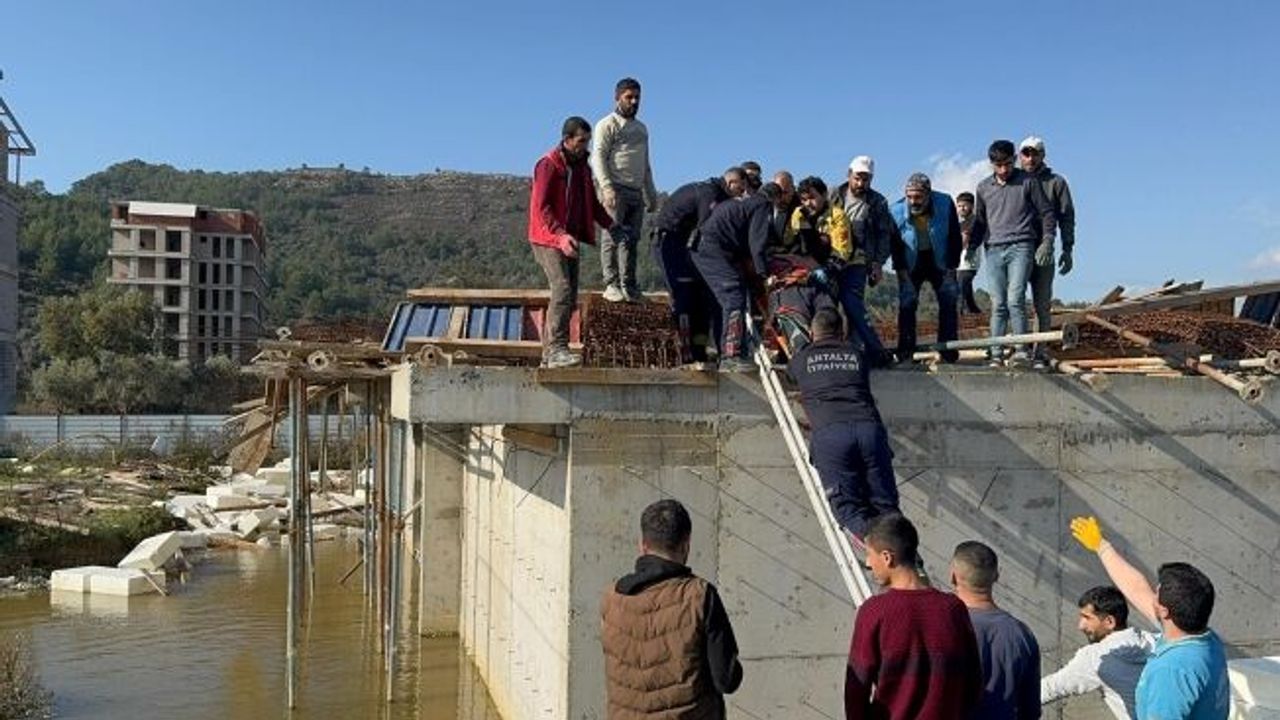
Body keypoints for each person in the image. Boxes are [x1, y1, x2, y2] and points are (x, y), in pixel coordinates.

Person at [1070, 516, 1230, 719]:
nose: (1152, 596)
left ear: (1165, 612)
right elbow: (1137, 589)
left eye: (1157, 593)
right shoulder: (1200, 636)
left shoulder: (1172, 672)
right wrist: (1102, 547)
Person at [601, 498, 743, 719]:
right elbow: (726, 679)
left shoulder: (612, 598)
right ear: (686, 545)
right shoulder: (700, 596)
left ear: (643, 545)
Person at [845, 514, 983, 720]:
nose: (868, 563)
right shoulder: (953, 609)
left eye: (869, 554)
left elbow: (856, 692)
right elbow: (973, 683)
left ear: (886, 557)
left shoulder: (874, 612)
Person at [788, 308, 898, 543]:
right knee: (886, 506)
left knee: (849, 509)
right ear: (843, 331)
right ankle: (907, 557)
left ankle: (879, 552)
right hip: (869, 429)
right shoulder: (857, 355)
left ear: (811, 332)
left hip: (831, 433)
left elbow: (791, 374)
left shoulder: (801, 359)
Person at [527, 116, 616, 368]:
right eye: (581, 141)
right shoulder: (548, 165)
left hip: (571, 237)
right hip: (548, 238)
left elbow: (593, 205)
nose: (585, 146)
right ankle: (556, 349)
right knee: (562, 288)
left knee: (571, 292)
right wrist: (559, 234)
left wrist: (611, 225)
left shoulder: (583, 169)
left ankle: (553, 354)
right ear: (567, 140)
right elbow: (542, 207)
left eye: (587, 141)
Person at [970, 140, 1057, 367]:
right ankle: (996, 353)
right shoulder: (983, 188)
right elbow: (979, 221)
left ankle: (1021, 350)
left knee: (1015, 298)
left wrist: (1048, 240)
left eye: (1008, 164)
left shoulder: (1028, 182)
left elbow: (1047, 213)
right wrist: (971, 248)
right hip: (994, 249)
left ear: (1014, 160)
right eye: (998, 165)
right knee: (998, 303)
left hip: (1021, 245)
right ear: (991, 164)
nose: (1004, 170)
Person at [651, 167, 747, 362]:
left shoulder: (718, 194)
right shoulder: (709, 193)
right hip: (669, 241)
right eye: (740, 188)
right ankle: (685, 352)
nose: (742, 194)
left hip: (685, 244)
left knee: (702, 297)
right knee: (684, 295)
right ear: (731, 183)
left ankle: (699, 349)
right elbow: (706, 228)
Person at [692, 182, 783, 372]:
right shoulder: (762, 206)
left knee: (729, 296)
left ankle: (730, 350)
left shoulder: (742, 203)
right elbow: (757, 245)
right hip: (713, 249)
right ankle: (730, 355)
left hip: (703, 247)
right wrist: (763, 275)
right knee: (734, 296)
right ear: (775, 199)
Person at [951, 541, 1041, 719]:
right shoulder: (1022, 634)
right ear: (997, 576)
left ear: (953, 576)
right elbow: (1031, 710)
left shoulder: (944, 626)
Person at [1041, 585, 1155, 719]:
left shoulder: (1097, 657)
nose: (1080, 626)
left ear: (1110, 622)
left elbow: (1050, 688)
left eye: (1087, 618)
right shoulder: (1152, 640)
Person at [592, 77, 659, 303]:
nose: (634, 101)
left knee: (631, 240)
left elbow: (645, 162)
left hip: (635, 190)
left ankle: (628, 285)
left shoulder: (642, 129)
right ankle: (611, 283)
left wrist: (651, 192)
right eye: (629, 97)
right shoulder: (606, 124)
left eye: (637, 97)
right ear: (617, 98)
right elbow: (597, 157)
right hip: (615, 188)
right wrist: (606, 186)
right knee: (612, 236)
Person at [888, 173, 962, 363]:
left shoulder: (945, 203)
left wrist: (951, 269)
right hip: (912, 261)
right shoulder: (895, 211)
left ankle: (947, 352)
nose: (913, 202)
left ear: (929, 194)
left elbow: (955, 237)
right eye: (909, 197)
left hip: (940, 259)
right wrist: (903, 277)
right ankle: (905, 352)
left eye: (918, 197)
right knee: (907, 303)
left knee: (948, 300)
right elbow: (896, 248)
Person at [829, 156, 894, 366]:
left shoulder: (878, 202)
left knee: (852, 303)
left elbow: (884, 235)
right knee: (830, 305)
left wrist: (878, 263)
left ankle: (862, 350)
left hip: (859, 260)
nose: (860, 184)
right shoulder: (834, 195)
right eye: (857, 178)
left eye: (866, 179)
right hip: (833, 259)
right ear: (849, 175)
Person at [1019, 136, 1077, 369]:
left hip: (1044, 248)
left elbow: (1067, 217)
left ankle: (1040, 352)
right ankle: (1018, 350)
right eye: (1026, 153)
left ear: (1043, 155)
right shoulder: (1014, 181)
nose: (1030, 158)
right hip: (1017, 248)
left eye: (1035, 153)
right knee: (1013, 301)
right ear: (1020, 155)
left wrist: (1067, 248)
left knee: (1042, 304)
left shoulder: (1056, 182)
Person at [955, 191, 983, 315]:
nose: (962, 208)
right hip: (960, 261)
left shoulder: (974, 221)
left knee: (961, 286)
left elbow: (964, 239)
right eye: (959, 206)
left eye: (965, 205)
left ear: (972, 206)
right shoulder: (959, 223)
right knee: (965, 286)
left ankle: (958, 314)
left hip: (969, 259)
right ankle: (974, 310)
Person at [771, 170, 798, 238]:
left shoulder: (800, 212)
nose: (781, 197)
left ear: (793, 190)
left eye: (785, 192)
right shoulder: (763, 208)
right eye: (778, 192)